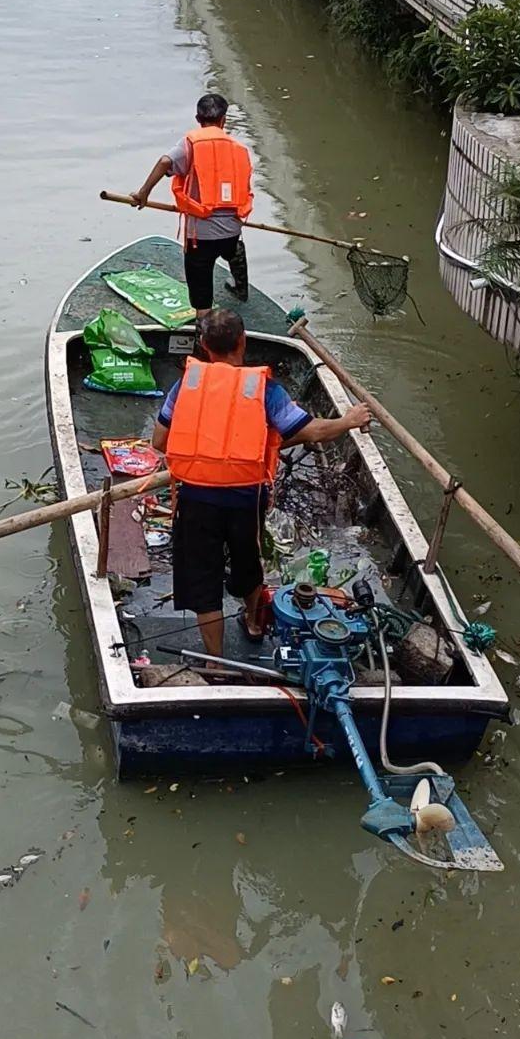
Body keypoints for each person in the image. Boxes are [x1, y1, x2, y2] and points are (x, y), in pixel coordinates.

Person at [151, 308, 372, 661]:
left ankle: (217, 662)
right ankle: (254, 624)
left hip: (194, 498)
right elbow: (310, 430)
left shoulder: (186, 384)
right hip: (244, 498)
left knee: (203, 580)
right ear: (242, 342)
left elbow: (160, 442)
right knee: (247, 563)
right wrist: (348, 420)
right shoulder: (264, 388)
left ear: (205, 347)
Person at [130, 93, 252, 335]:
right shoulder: (238, 149)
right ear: (224, 120)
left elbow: (165, 161)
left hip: (201, 236)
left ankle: (203, 336)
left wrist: (143, 193)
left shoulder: (191, 144)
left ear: (198, 118)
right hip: (232, 230)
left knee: (201, 292)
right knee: (233, 248)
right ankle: (241, 287)